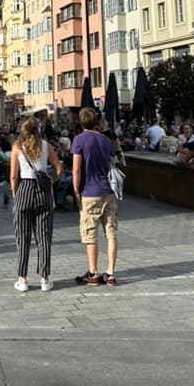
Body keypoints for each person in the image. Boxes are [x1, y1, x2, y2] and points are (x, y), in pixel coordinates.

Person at [9, 117, 62, 292]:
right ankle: (45, 279)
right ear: (38, 129)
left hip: (24, 188)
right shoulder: (46, 145)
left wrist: (16, 195)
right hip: (43, 191)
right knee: (44, 236)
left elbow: (14, 176)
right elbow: (59, 168)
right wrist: (50, 182)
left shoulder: (17, 146)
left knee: (22, 237)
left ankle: (22, 279)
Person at [71, 107, 119, 287]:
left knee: (90, 233)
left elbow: (76, 168)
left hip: (89, 192)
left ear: (80, 122)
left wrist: (76, 190)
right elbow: (112, 162)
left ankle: (92, 272)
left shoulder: (79, 140)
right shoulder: (105, 140)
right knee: (111, 232)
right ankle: (111, 273)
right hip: (107, 190)